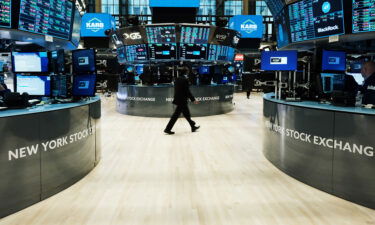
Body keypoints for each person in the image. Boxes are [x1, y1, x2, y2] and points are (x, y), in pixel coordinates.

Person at [164, 69, 200, 135]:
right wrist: (193, 100)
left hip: (178, 99)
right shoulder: (184, 80)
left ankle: (193, 126)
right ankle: (167, 129)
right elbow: (187, 91)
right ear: (186, 72)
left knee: (187, 114)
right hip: (182, 100)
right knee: (175, 116)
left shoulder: (177, 79)